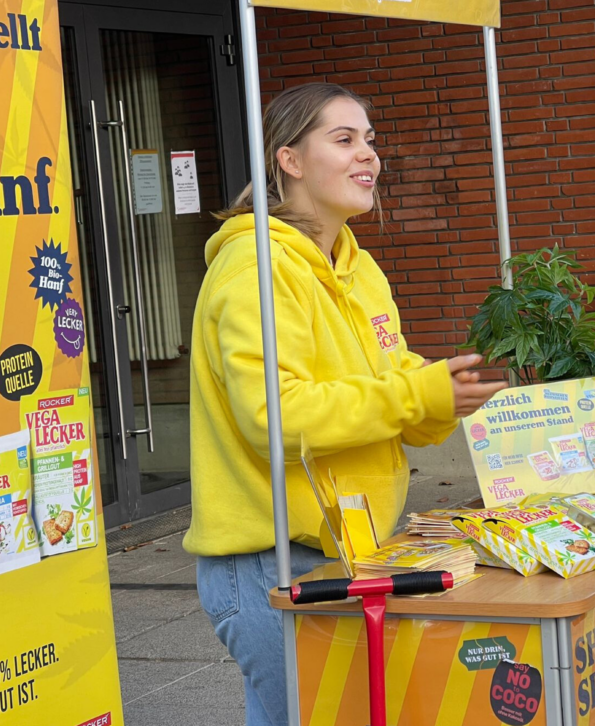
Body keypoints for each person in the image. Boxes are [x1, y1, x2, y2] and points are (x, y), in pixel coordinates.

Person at [184, 83, 506, 726]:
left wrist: (443, 393)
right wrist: (417, 391)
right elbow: (276, 417)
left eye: (371, 140)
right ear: (289, 160)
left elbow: (387, 384)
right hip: (272, 560)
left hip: (350, 550)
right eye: (345, 139)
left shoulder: (358, 267)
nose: (369, 157)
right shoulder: (256, 267)